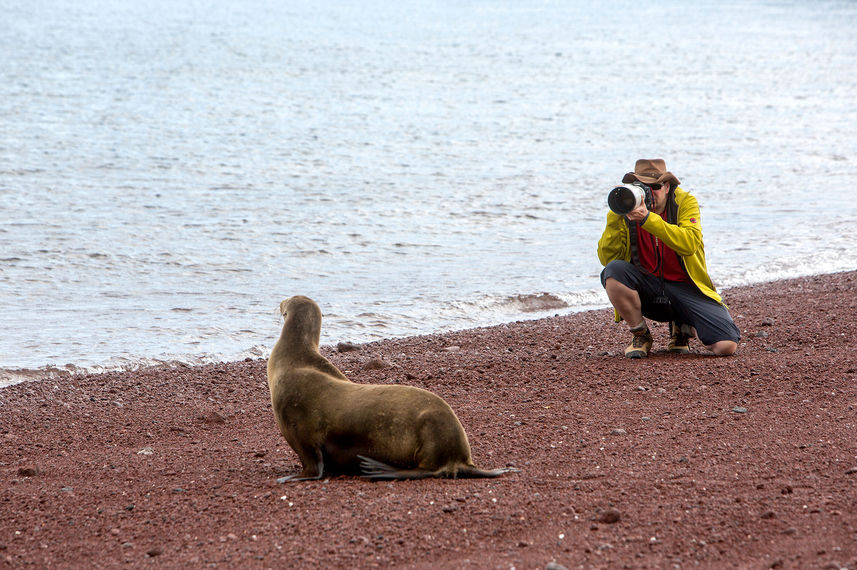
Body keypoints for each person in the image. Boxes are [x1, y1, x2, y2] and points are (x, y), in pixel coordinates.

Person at [597, 158, 739, 358]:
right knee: (613, 272)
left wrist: (648, 219)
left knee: (726, 346)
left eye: (654, 186)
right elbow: (608, 258)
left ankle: (682, 325)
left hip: (687, 287)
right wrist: (615, 214)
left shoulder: (684, 202)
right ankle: (641, 335)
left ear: (667, 186)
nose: (648, 192)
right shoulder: (628, 211)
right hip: (649, 288)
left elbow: (690, 243)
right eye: (641, 187)